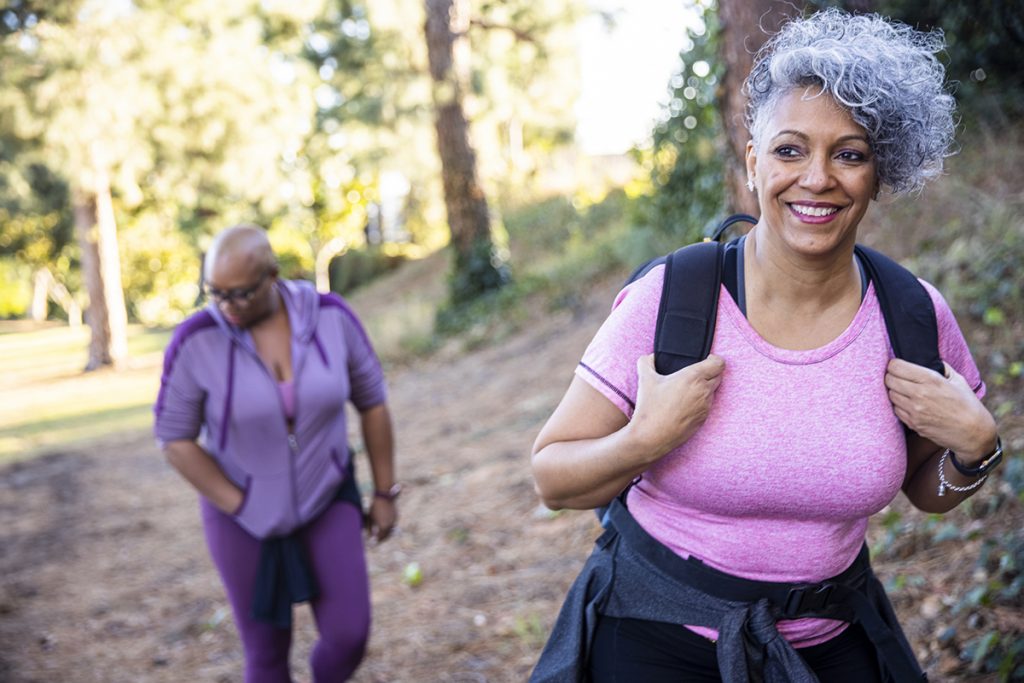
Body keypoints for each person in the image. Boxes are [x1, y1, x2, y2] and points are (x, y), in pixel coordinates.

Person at [530, 9, 1003, 683]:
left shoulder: (911, 314)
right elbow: (551, 474)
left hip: (831, 637)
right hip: (654, 635)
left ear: (879, 171)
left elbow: (929, 492)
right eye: (789, 150)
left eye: (850, 153)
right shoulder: (675, 299)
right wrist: (643, 438)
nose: (817, 178)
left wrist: (976, 447)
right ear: (753, 162)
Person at [154, 225, 399, 682]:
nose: (227, 306)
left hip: (328, 496)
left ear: (273, 275)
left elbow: (373, 402)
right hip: (241, 514)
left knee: (349, 635)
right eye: (216, 294)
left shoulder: (331, 316)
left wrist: (385, 491)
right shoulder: (194, 340)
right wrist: (241, 504)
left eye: (242, 294)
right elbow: (174, 437)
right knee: (265, 654)